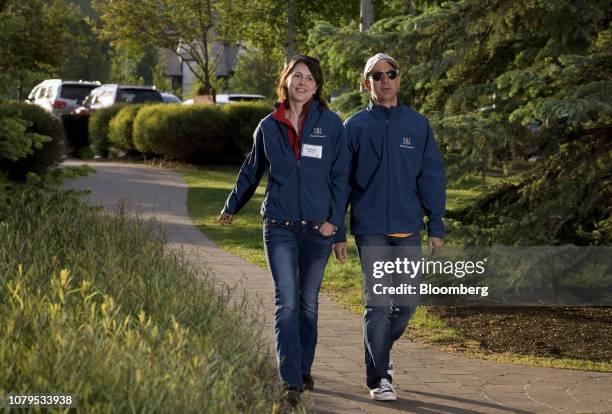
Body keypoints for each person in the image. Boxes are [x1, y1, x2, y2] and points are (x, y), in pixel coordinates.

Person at [218, 55, 350, 406]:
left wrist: (335, 226)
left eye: (309, 78)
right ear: (286, 81)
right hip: (278, 226)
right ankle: (290, 378)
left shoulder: (332, 125)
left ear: (317, 87)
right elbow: (252, 170)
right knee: (287, 302)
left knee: (307, 304)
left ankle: (304, 367)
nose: (302, 82)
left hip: (318, 230)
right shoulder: (268, 126)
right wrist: (232, 205)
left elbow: (341, 180)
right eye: (297, 76)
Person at [332, 53, 446, 401]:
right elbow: (341, 183)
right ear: (367, 83)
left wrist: (436, 224)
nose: (385, 80)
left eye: (391, 73)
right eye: (377, 75)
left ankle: (380, 350)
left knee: (407, 304)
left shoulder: (417, 125)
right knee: (378, 305)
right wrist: (338, 230)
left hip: (408, 228)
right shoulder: (353, 127)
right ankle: (378, 378)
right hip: (370, 230)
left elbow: (431, 177)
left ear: (399, 79)